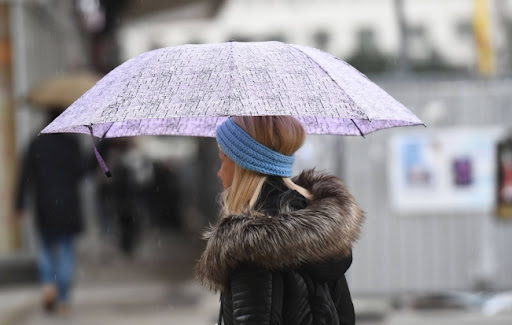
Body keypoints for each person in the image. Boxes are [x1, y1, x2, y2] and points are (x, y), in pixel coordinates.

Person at [196, 116, 365, 325]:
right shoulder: (319, 227)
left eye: (223, 159)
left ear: (243, 165)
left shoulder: (249, 244)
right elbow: (344, 316)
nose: (219, 173)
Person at [15, 110, 87, 315]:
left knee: (46, 247)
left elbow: (25, 176)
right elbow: (82, 172)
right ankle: (63, 298)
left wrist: (19, 205)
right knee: (65, 250)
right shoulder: (71, 145)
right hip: (68, 207)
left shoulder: (36, 144)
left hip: (44, 205)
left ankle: (48, 284)